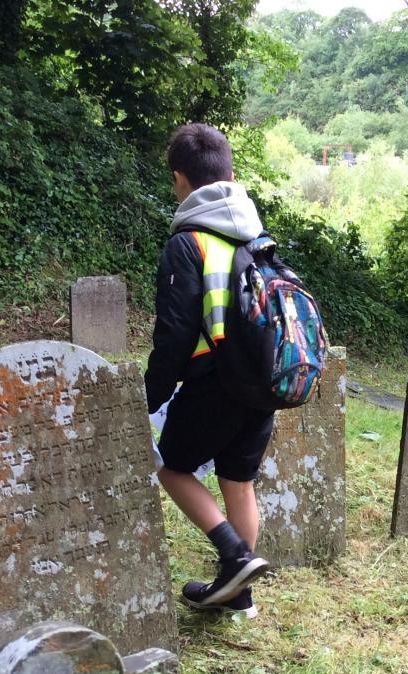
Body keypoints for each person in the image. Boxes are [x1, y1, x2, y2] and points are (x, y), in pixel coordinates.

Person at [144, 123, 273, 619]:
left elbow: (175, 334)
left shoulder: (189, 243)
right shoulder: (257, 236)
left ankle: (235, 555)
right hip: (264, 380)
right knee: (238, 479)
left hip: (215, 379)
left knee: (172, 466)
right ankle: (239, 594)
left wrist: (150, 396)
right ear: (231, 174)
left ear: (180, 180)